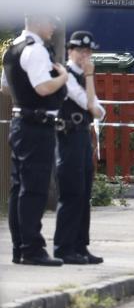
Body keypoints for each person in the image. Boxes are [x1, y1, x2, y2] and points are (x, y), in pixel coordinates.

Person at [2, 14, 69, 266]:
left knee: (19, 188)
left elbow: (6, 88)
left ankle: (20, 247)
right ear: (38, 21)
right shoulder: (36, 50)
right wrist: (62, 77)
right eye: (50, 21)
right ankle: (32, 249)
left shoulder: (12, 50)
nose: (53, 27)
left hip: (21, 122)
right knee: (34, 189)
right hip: (36, 126)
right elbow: (43, 88)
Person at [53, 31, 107, 265]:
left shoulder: (84, 76)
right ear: (70, 51)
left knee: (84, 193)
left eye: (88, 52)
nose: (84, 55)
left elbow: (99, 111)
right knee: (72, 193)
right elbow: (87, 103)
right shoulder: (64, 75)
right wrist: (90, 76)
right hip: (68, 137)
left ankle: (80, 245)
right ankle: (64, 247)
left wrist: (89, 79)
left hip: (82, 137)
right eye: (80, 51)